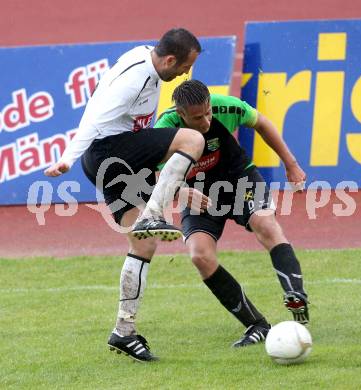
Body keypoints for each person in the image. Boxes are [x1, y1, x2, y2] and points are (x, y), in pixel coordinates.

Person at [44, 29, 207, 362]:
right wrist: (67, 158)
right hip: (109, 151)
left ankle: (124, 331)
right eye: (185, 67)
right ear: (170, 59)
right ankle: (153, 215)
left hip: (116, 154)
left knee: (143, 244)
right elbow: (93, 117)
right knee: (192, 140)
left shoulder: (148, 55)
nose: (185, 75)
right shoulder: (134, 80)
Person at [154, 79, 309, 348]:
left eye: (208, 113)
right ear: (180, 114)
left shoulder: (228, 107)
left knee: (265, 224)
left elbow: (262, 123)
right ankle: (257, 324)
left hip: (239, 179)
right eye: (196, 117)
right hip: (197, 192)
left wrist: (291, 164)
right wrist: (179, 192)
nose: (205, 121)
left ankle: (296, 295)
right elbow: (153, 172)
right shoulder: (164, 129)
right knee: (199, 255)